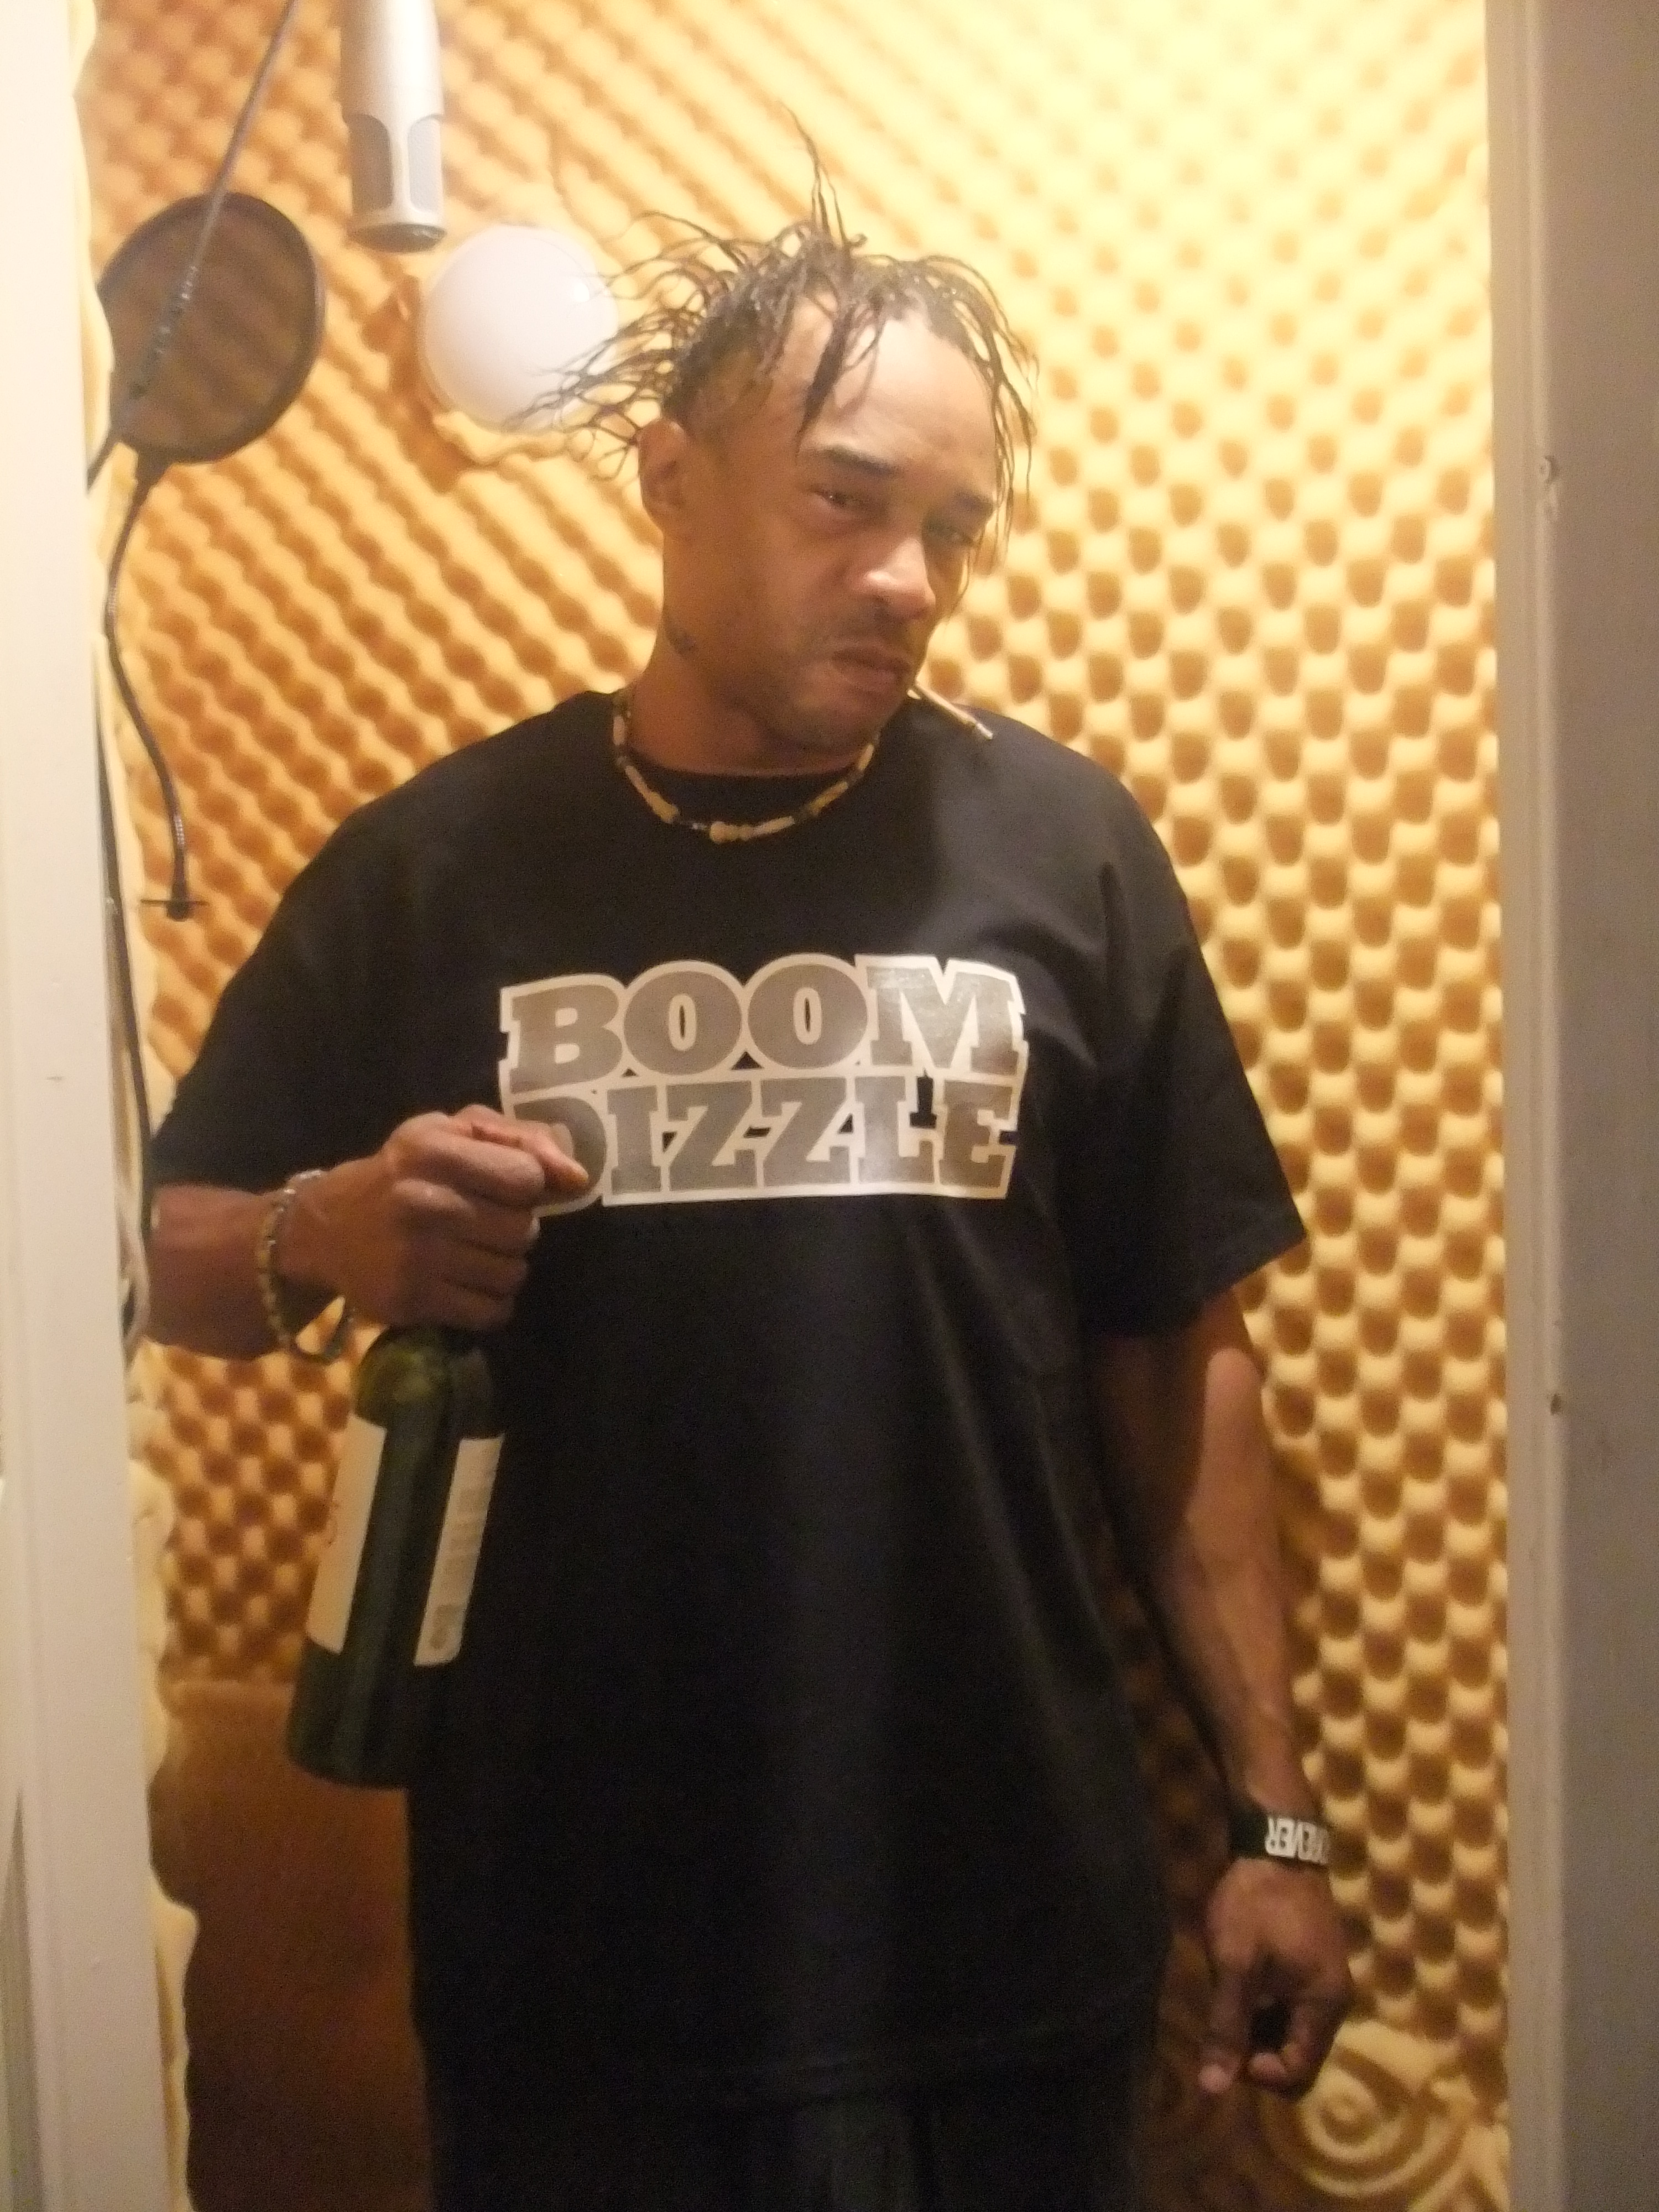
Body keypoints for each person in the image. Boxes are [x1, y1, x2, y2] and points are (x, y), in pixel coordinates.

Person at [146, 184, 1351, 2211]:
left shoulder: (1063, 849)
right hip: (578, 1957)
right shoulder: (437, 864)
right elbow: (147, 1264)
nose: (907, 581)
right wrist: (324, 1231)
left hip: (1003, 1938)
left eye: (952, 529)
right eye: (844, 501)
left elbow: (1179, 1356)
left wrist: (1278, 1823)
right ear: (670, 483)